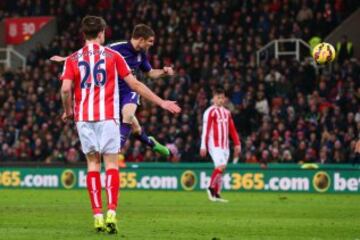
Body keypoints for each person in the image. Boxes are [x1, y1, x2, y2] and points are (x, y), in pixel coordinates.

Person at [60, 16, 180, 234]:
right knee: (112, 164)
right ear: (102, 33)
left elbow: (66, 89)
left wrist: (68, 111)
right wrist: (162, 102)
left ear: (83, 34)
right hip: (107, 115)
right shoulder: (114, 53)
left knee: (93, 165)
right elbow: (135, 82)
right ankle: (111, 213)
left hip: (84, 118)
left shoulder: (73, 59)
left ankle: (97, 215)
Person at [51, 24, 174, 157]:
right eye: (150, 41)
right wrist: (67, 58)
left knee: (127, 114)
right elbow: (91, 52)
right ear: (141, 39)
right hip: (111, 92)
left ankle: (114, 151)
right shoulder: (117, 47)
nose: (151, 44)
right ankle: (152, 143)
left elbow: (150, 73)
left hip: (129, 90)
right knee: (136, 130)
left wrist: (163, 72)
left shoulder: (141, 55)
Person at [200, 87, 241, 202]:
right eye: (218, 98)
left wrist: (237, 144)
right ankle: (210, 188)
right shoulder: (210, 112)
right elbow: (206, 130)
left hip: (225, 145)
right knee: (221, 166)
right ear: (213, 99)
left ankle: (216, 194)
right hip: (214, 144)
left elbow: (232, 129)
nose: (220, 100)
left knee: (221, 169)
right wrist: (203, 146)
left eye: (222, 98)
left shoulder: (227, 112)